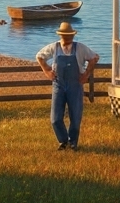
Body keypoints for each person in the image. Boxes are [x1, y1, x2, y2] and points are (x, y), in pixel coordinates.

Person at [35, 21, 100, 151]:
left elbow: (95, 58)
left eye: (70, 35)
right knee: (55, 118)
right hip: (58, 84)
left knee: (75, 116)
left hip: (75, 85)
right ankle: (63, 140)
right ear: (61, 35)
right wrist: (47, 71)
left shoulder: (80, 48)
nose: (68, 38)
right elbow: (39, 57)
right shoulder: (54, 47)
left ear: (73, 35)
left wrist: (86, 74)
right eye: (65, 35)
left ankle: (73, 142)